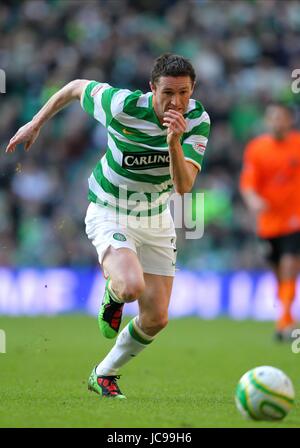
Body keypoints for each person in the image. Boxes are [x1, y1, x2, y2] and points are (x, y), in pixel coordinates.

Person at [5, 53, 210, 398]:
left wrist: (174, 141)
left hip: (156, 216)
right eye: (168, 93)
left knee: (157, 318)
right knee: (130, 286)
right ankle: (114, 295)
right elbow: (74, 87)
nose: (176, 102)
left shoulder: (197, 119)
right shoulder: (122, 106)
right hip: (110, 209)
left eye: (184, 92)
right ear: (151, 89)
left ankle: (103, 373)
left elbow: (184, 186)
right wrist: (36, 122)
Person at [240, 103, 300, 341]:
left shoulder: (297, 144)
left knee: (288, 265)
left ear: (289, 120)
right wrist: (253, 200)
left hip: (294, 219)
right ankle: (285, 315)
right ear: (267, 121)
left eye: (281, 118)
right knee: (278, 273)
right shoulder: (257, 149)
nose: (277, 122)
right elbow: (248, 183)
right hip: (268, 222)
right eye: (273, 118)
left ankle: (283, 322)